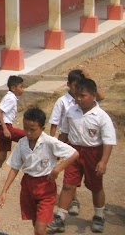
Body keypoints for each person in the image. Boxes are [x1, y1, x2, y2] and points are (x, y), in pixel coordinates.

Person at [48, 78, 117, 233]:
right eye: (77, 95)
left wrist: (103, 161)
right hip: (73, 153)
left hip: (93, 153)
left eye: (83, 96)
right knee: (68, 185)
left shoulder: (101, 116)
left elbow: (108, 141)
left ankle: (99, 215)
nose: (78, 99)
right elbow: (64, 132)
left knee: (96, 186)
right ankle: (60, 217)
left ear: (93, 95)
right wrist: (57, 151)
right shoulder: (71, 111)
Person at [0, 107, 78, 235]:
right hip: (28, 186)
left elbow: (74, 154)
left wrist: (57, 169)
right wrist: (4, 191)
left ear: (42, 129)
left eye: (32, 130)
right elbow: (15, 167)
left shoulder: (49, 141)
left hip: (46, 187)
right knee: (36, 225)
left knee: (40, 229)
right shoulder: (22, 143)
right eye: (25, 128)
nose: (28, 132)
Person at [49, 69, 85, 215]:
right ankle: (73, 200)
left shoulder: (84, 100)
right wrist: (52, 143)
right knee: (71, 172)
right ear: (69, 85)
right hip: (67, 141)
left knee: (79, 173)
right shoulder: (62, 102)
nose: (77, 89)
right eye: (75, 86)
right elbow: (54, 122)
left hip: (81, 141)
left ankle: (73, 198)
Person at [0, 75, 26, 168]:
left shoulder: (10, 97)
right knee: (28, 136)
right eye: (21, 87)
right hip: (4, 127)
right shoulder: (10, 98)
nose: (23, 89)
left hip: (1, 127)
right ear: (13, 88)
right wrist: (5, 129)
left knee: (2, 155)